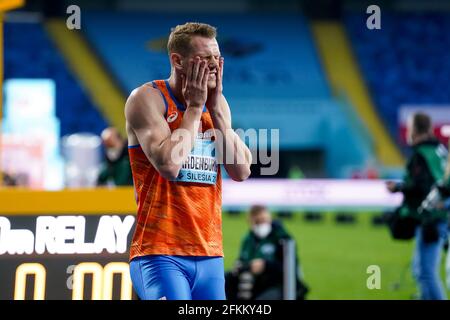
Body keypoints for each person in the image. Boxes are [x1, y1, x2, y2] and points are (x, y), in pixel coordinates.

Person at [124, 22, 252, 300]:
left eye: (216, 57)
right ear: (177, 60)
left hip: (209, 253)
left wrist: (216, 109)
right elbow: (169, 166)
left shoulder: (217, 104)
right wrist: (195, 108)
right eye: (204, 58)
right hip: (160, 253)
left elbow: (241, 170)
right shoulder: (147, 99)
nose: (214, 65)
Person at [386, 112, 448, 300]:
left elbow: (423, 186)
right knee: (420, 270)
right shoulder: (440, 150)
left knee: (426, 273)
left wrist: (399, 187)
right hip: (440, 214)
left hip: (431, 217)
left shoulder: (421, 154)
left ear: (413, 129)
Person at [225, 205, 309, 300]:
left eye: (264, 220)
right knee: (226, 279)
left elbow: (290, 269)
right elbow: (242, 260)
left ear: (270, 218)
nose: (261, 224)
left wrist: (265, 266)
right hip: (256, 283)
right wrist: (242, 266)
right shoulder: (248, 239)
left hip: (279, 284)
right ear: (250, 222)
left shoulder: (283, 239)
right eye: (257, 221)